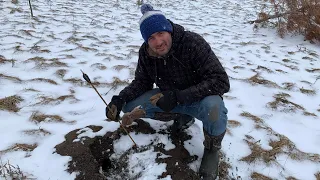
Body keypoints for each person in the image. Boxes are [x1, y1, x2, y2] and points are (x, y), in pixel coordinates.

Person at [105, 4, 230, 180]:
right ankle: (181, 117)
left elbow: (221, 81)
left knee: (214, 108)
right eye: (151, 38)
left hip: (198, 99)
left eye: (161, 34)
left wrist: (180, 96)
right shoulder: (146, 53)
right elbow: (142, 82)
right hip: (167, 100)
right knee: (129, 105)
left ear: (169, 30)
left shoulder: (192, 43)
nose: (158, 42)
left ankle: (212, 149)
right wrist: (119, 98)